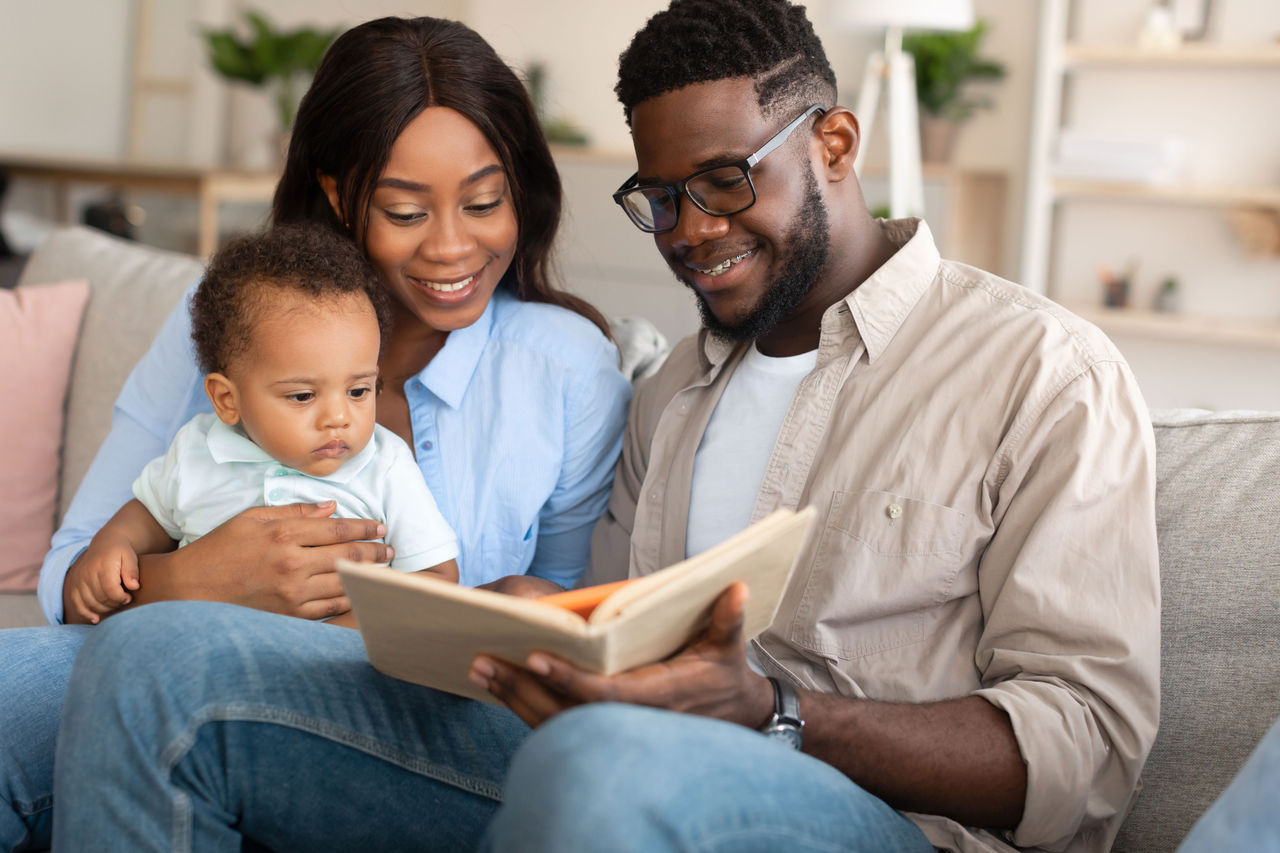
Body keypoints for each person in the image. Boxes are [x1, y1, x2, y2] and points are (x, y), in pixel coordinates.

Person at [47, 3, 1157, 852]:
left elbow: (1089, 747)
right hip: (591, 752)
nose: (691, 231)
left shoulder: (1038, 371)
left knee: (609, 766)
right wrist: (543, 622)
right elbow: (607, 621)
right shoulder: (672, 386)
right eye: (659, 197)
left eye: (724, 182)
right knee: (153, 660)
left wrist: (773, 712)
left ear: (831, 142)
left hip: (870, 815)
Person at [0, 16, 629, 851]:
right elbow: (70, 572)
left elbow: (571, 613)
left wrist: (478, 615)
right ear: (339, 194)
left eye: (485, 202)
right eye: (406, 210)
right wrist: (190, 583)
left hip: (429, 720)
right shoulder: (221, 329)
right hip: (178, 665)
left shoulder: (566, 368)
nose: (452, 246)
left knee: (156, 681)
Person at [68, 225, 461, 626]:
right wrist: (113, 545)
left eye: (359, 391)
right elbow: (148, 515)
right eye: (303, 396)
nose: (338, 417)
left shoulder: (385, 465)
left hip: (335, 664)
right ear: (227, 400)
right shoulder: (198, 450)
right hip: (199, 652)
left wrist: (355, 630)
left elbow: (438, 578)